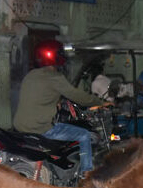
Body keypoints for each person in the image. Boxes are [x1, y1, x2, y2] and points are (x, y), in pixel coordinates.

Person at [13, 40, 107, 174]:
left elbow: (43, 95)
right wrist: (100, 102)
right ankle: (87, 174)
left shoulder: (31, 75)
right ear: (56, 57)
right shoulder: (55, 77)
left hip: (20, 127)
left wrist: (57, 100)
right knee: (84, 134)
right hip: (41, 128)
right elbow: (78, 96)